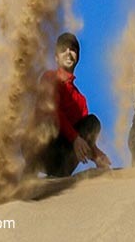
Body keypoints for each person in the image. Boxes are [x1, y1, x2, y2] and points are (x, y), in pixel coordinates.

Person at [39, 32, 111, 176]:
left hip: (61, 159)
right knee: (48, 115)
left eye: (72, 49)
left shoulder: (80, 100)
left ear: (77, 57)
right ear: (56, 57)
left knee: (92, 123)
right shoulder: (49, 77)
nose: (68, 53)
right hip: (41, 149)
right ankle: (26, 175)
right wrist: (75, 138)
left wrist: (97, 155)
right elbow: (51, 111)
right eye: (63, 49)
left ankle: (59, 176)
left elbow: (85, 137)